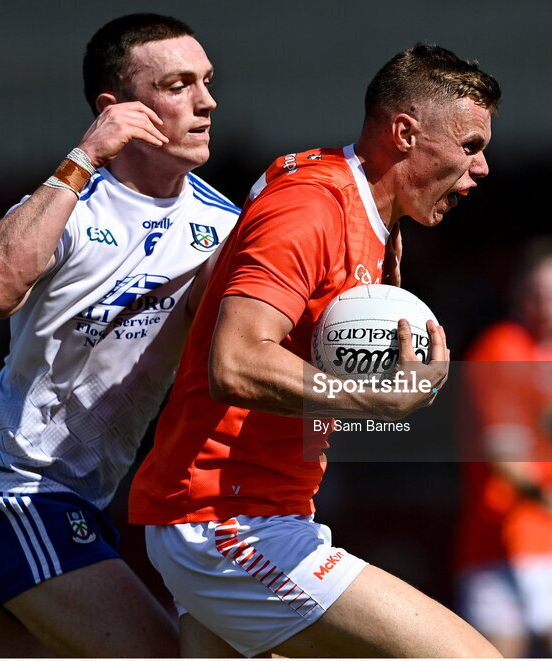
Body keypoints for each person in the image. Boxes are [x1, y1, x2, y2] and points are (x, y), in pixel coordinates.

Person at [129, 44, 502, 658]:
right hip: (221, 520)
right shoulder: (312, 205)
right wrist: (372, 397)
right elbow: (237, 361)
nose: (482, 167)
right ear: (405, 133)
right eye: (470, 146)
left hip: (262, 510)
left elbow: (210, 306)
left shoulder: (371, 222)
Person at [0, 14, 238, 657]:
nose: (206, 102)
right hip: (15, 490)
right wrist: (83, 156)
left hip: (83, 496)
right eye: (178, 85)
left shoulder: (221, 224)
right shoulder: (71, 202)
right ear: (117, 110)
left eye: (206, 82)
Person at [455, 239, 552, 658]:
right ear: (520, 295)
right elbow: (508, 463)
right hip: (499, 543)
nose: (551, 304)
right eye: (541, 292)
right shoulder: (501, 350)